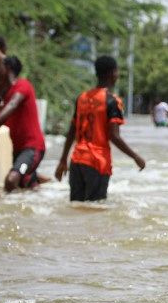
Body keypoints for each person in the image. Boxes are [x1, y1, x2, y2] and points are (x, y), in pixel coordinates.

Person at [53, 56, 145, 202]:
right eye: (116, 72)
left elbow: (71, 131)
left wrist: (63, 160)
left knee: (77, 208)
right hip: (97, 162)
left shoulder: (82, 98)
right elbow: (114, 136)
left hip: (77, 161)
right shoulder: (112, 101)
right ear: (112, 73)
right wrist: (136, 157)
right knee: (95, 210)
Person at [0, 56, 46, 192]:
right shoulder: (5, 96)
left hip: (32, 148)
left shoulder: (23, 85)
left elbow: (12, 105)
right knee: (27, 187)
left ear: (8, 68)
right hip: (18, 151)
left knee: (11, 180)